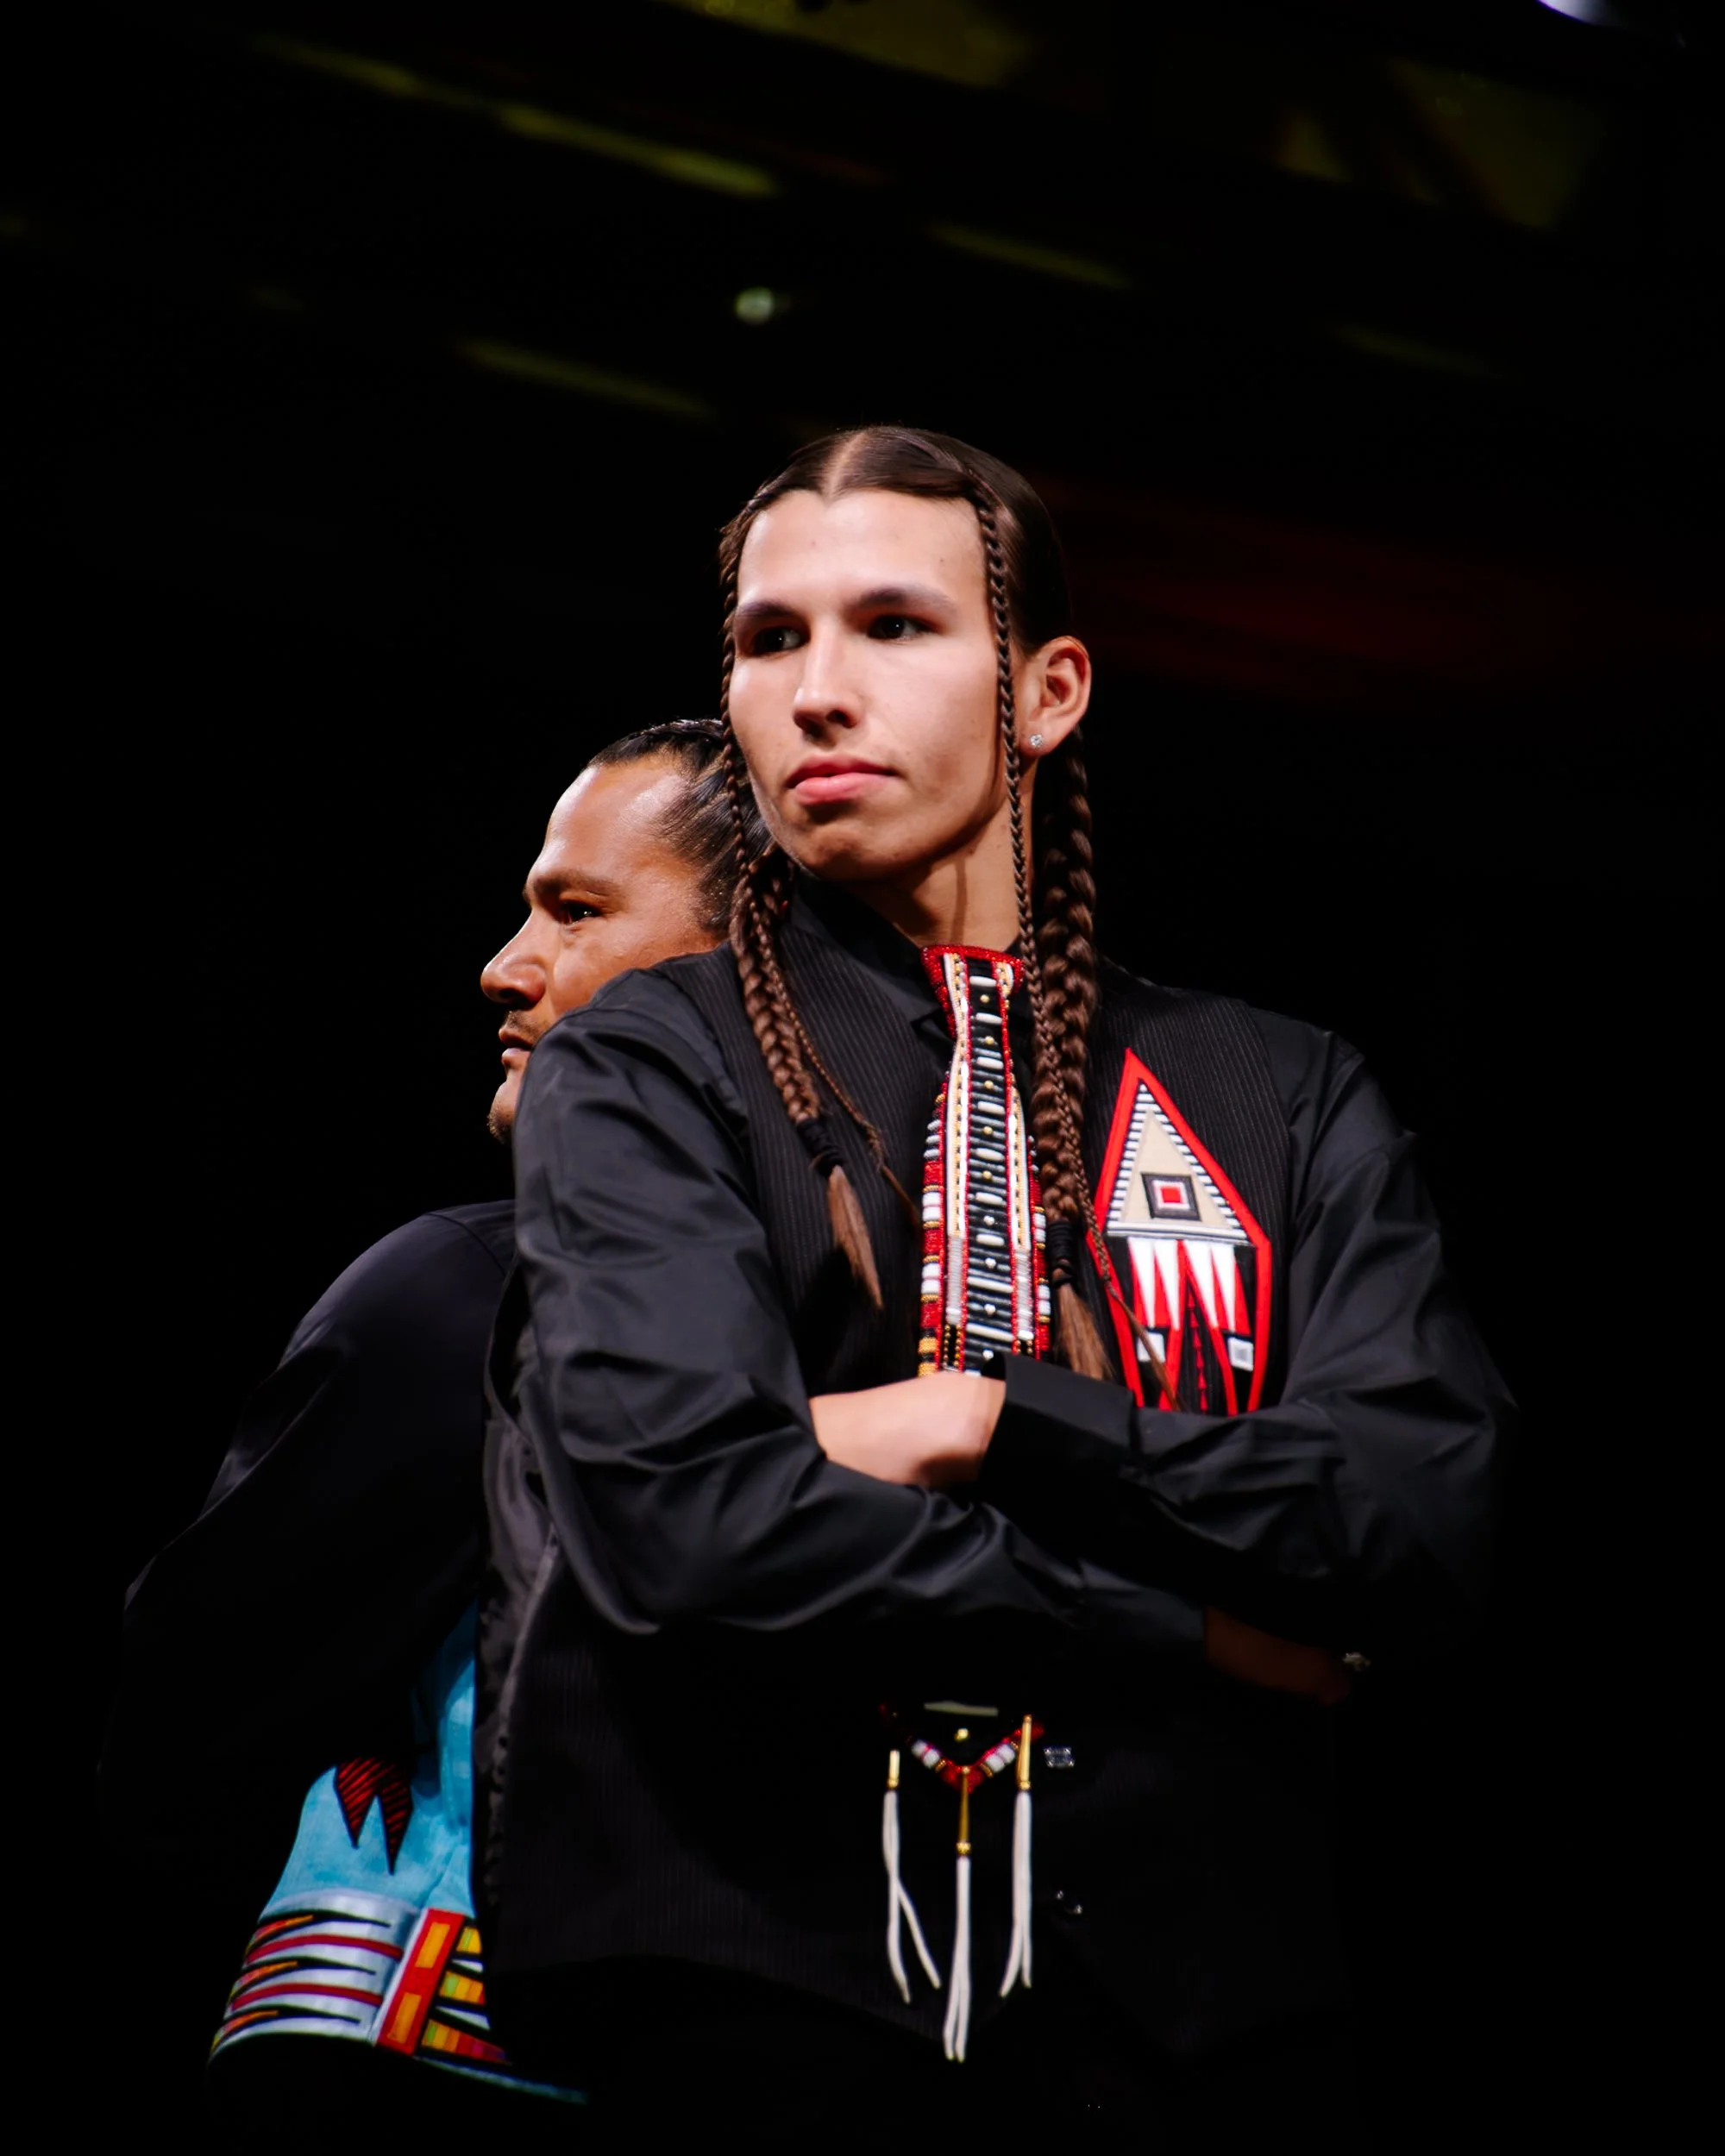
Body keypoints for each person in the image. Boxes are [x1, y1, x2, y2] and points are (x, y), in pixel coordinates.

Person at [477, 427, 1512, 2143]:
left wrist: (985, 1413)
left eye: (894, 625)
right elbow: (683, 1513)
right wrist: (1185, 1623)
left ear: (1046, 691)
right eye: (770, 638)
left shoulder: (1274, 1091)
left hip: (1203, 2033)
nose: (819, 689)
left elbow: (1421, 1517)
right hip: (753, 2002)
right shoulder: (648, 1063)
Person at [102, 720, 759, 2140]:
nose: (507, 967)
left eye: (575, 910)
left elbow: (179, 1726)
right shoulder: (977, 1348)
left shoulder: (473, 1296)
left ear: (753, 967)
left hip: (435, 2069)